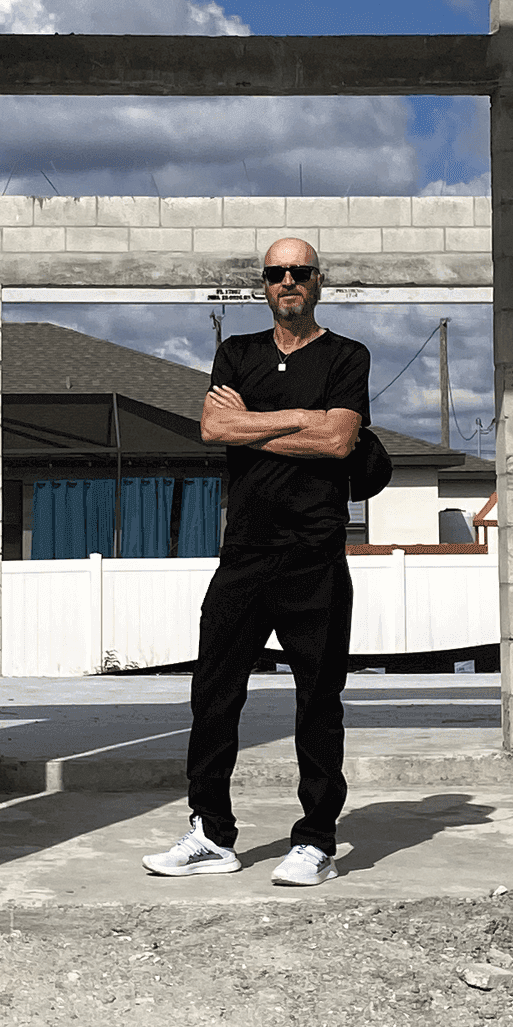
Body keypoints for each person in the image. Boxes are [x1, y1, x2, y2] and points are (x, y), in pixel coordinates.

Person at [142, 237, 370, 886]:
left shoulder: (347, 356)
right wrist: (303, 417)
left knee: (317, 703)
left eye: (299, 272)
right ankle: (211, 833)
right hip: (243, 555)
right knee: (213, 694)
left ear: (319, 280)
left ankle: (316, 841)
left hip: (314, 556)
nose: (288, 281)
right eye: (276, 273)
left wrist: (266, 421)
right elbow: (215, 430)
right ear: (263, 285)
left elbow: (338, 439)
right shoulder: (236, 352)